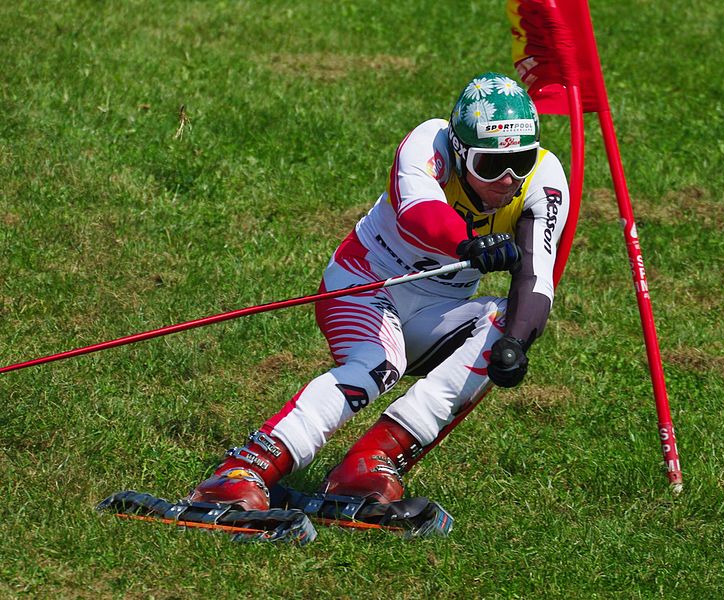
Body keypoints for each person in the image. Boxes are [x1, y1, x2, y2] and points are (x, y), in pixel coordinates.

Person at [187, 72, 570, 511]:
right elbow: (417, 211)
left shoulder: (544, 177)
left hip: (437, 312)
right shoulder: (430, 143)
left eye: (519, 162)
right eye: (488, 165)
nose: (506, 180)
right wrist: (466, 242)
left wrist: (518, 343)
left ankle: (371, 462)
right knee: (378, 363)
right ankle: (245, 468)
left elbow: (536, 278)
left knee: (506, 326)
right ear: (461, 152)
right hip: (363, 282)